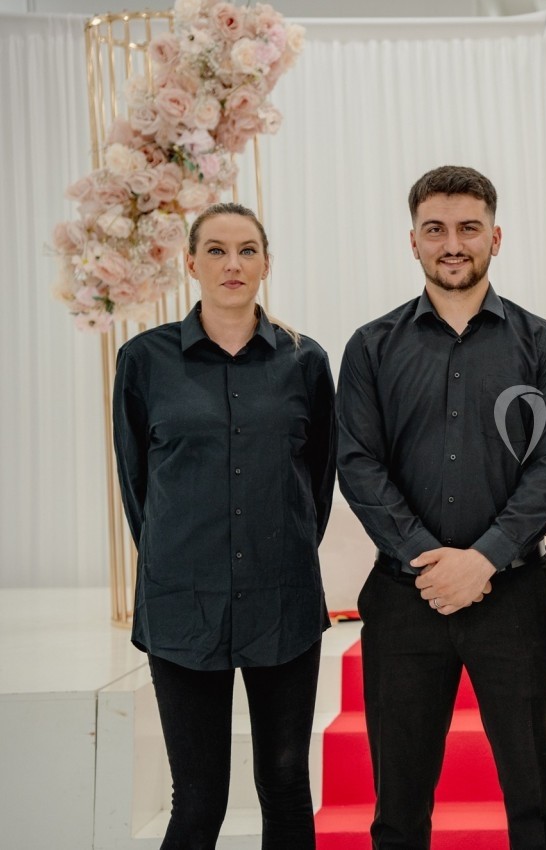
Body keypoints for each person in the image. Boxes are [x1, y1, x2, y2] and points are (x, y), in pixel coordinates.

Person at [336, 165, 546, 850]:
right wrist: (429, 561)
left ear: (495, 238)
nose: (452, 243)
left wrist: (485, 559)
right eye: (435, 229)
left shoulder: (543, 344)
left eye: (468, 228)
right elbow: (357, 462)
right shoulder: (371, 347)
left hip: (514, 599)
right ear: (412, 241)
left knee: (537, 805)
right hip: (403, 601)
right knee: (399, 809)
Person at [113, 202, 336, 849]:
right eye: (215, 250)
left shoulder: (306, 362)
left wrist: (280, 552)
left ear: (267, 262)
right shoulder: (145, 360)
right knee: (199, 798)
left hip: (283, 601)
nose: (231, 264)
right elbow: (138, 490)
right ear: (190, 263)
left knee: (288, 785)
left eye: (246, 250)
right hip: (183, 607)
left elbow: (315, 484)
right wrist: (179, 562)